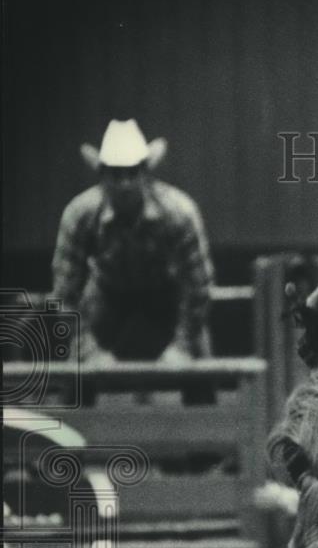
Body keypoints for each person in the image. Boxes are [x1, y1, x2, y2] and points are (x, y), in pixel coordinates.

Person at [52, 119, 215, 373]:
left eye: (132, 173)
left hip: (165, 301)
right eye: (116, 174)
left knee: (201, 370)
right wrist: (88, 351)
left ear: (145, 174)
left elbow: (198, 288)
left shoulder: (179, 213)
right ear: (102, 176)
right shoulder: (79, 216)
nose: (124, 184)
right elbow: (65, 294)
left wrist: (181, 347)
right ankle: (72, 409)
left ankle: (206, 407)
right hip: (106, 300)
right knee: (73, 376)